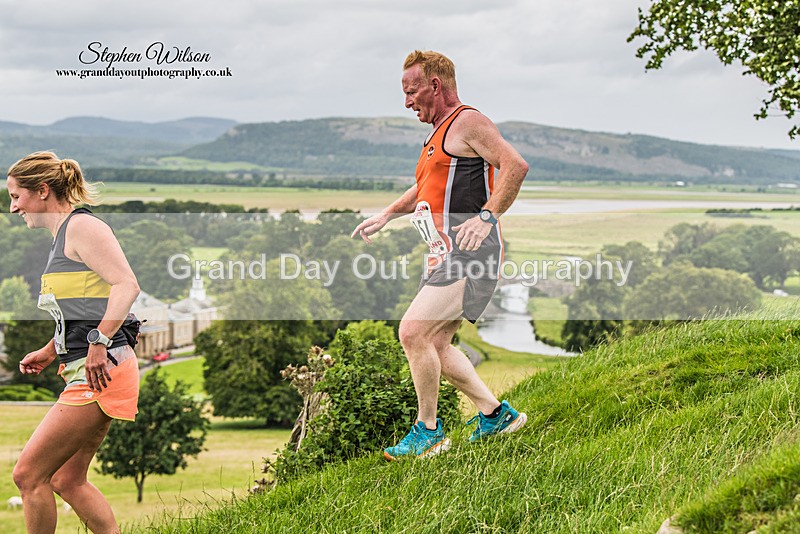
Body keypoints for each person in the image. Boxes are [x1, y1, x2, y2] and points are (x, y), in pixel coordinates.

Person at [352, 50, 530, 460]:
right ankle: (496, 415)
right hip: (445, 253)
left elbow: (514, 165)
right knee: (437, 343)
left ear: (435, 85)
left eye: (412, 91)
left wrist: (487, 216)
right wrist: (387, 215)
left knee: (413, 332)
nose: (407, 101)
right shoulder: (437, 135)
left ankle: (427, 431)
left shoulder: (468, 121)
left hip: (472, 252)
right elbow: (426, 189)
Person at [8, 151, 141, 534]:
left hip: (100, 369)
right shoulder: (62, 237)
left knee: (29, 475)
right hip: (87, 365)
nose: (13, 208)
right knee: (67, 479)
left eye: (16, 197)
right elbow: (84, 306)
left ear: (43, 190)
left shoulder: (83, 228)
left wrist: (99, 341)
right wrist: (52, 350)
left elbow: (126, 285)